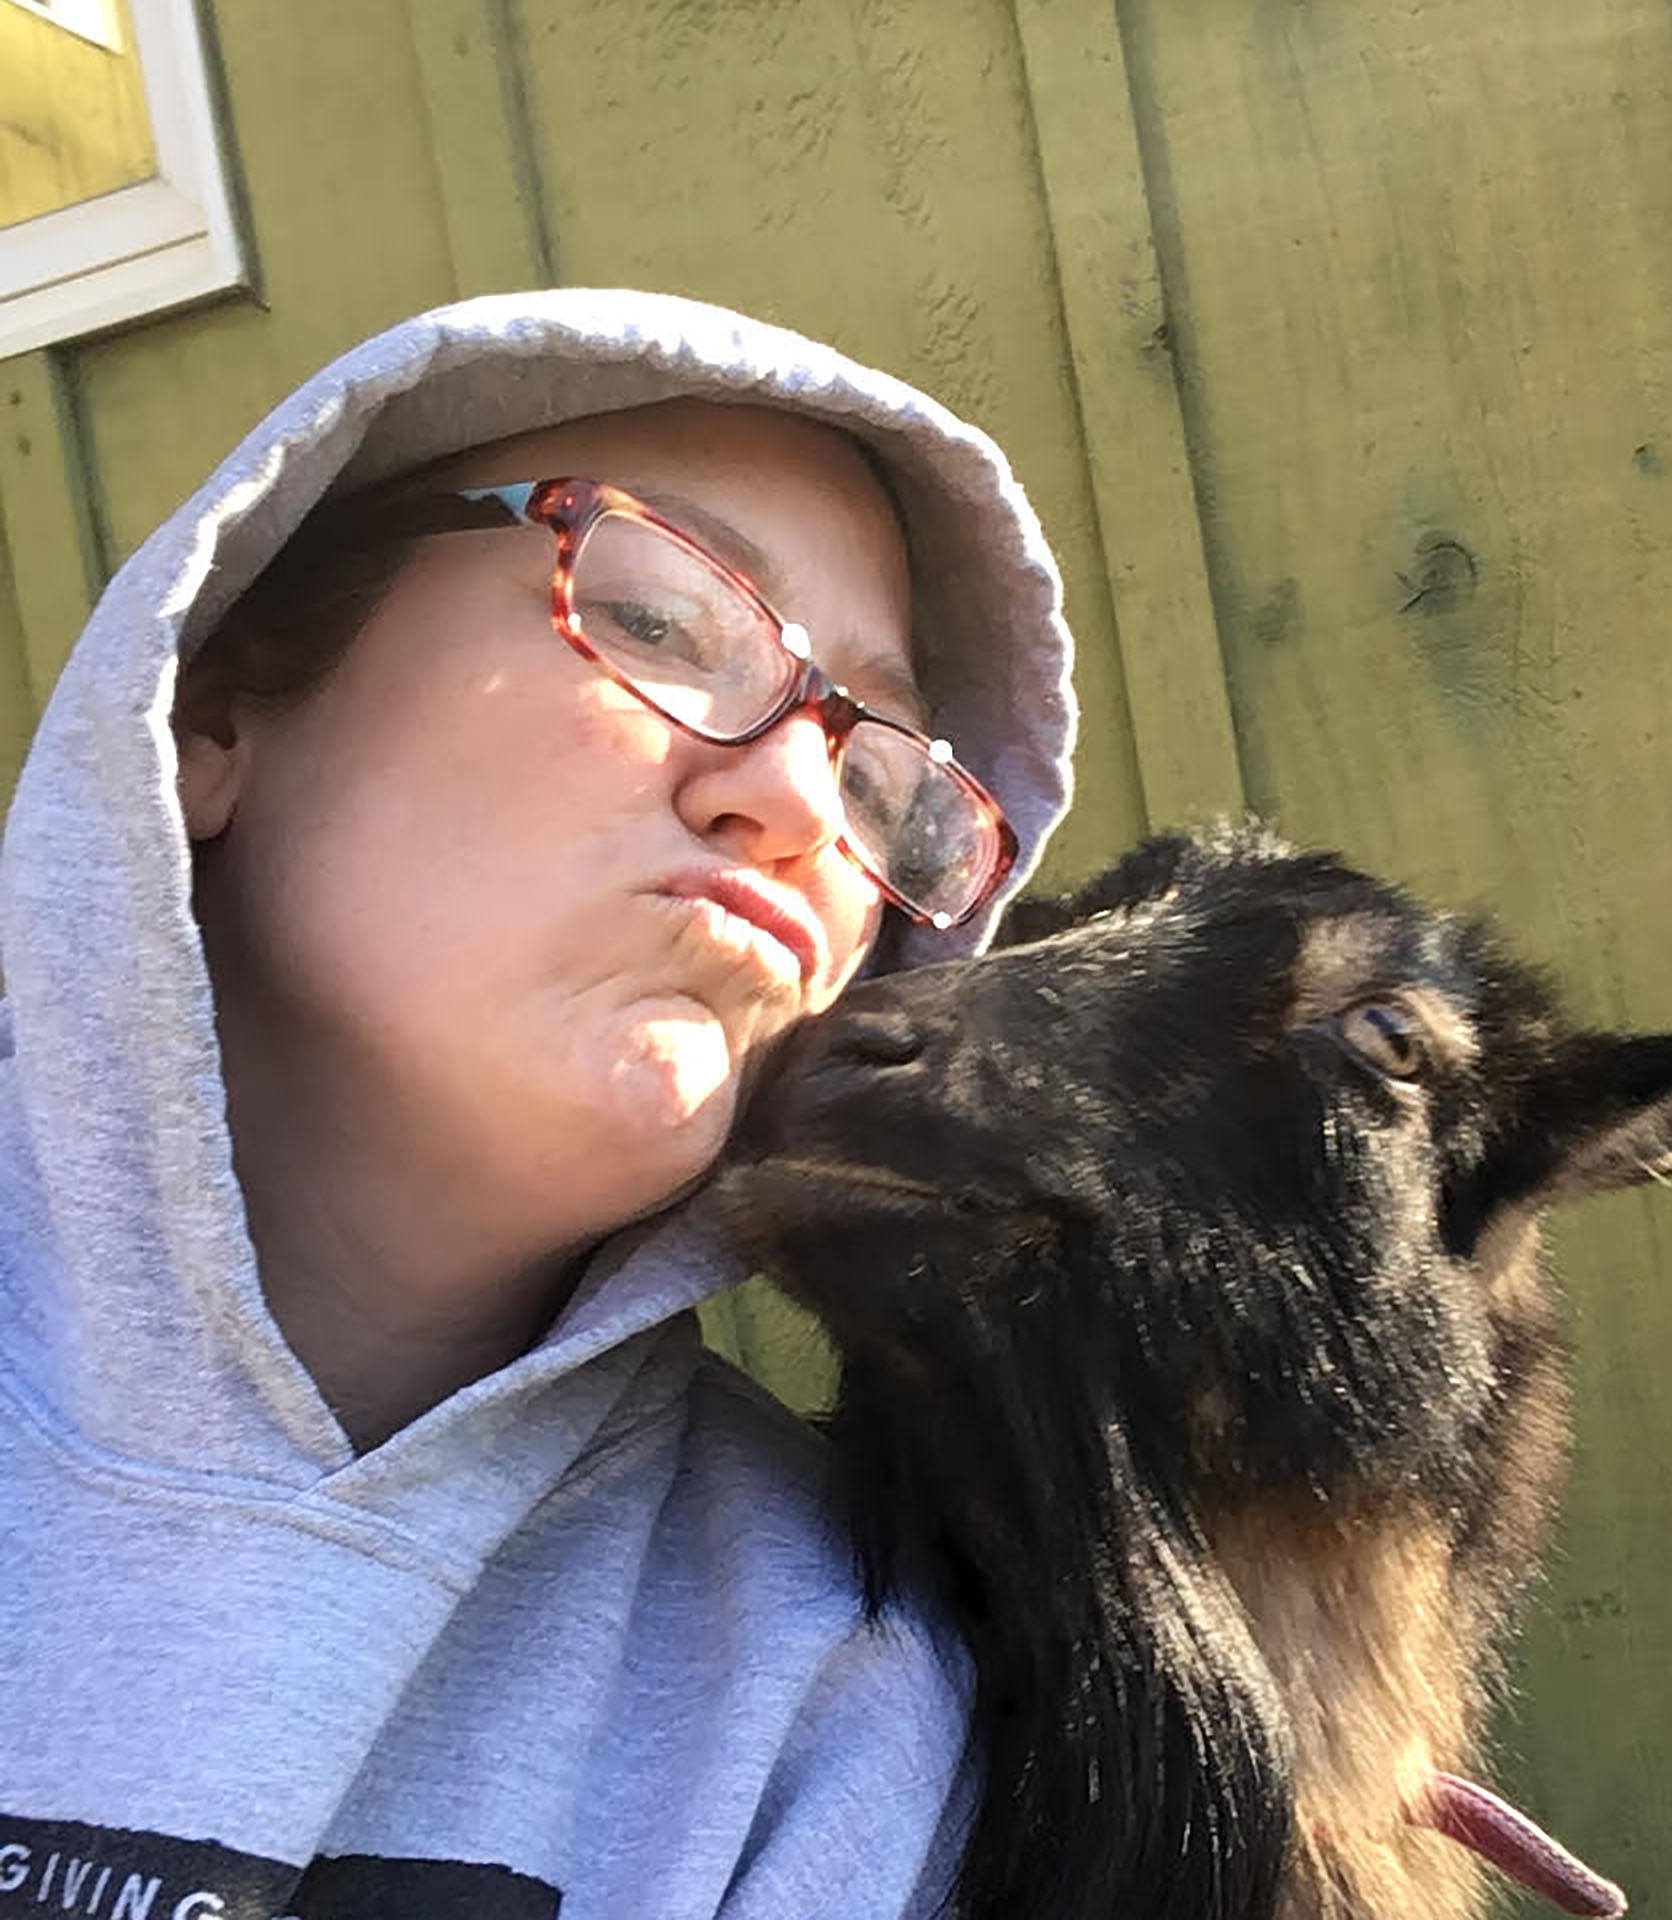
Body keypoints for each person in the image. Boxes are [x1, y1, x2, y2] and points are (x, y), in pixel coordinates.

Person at [0, 290, 1076, 1918]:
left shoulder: (835, 1700)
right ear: (213, 712)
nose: (794, 804)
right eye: (655, 618)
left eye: (881, 784)